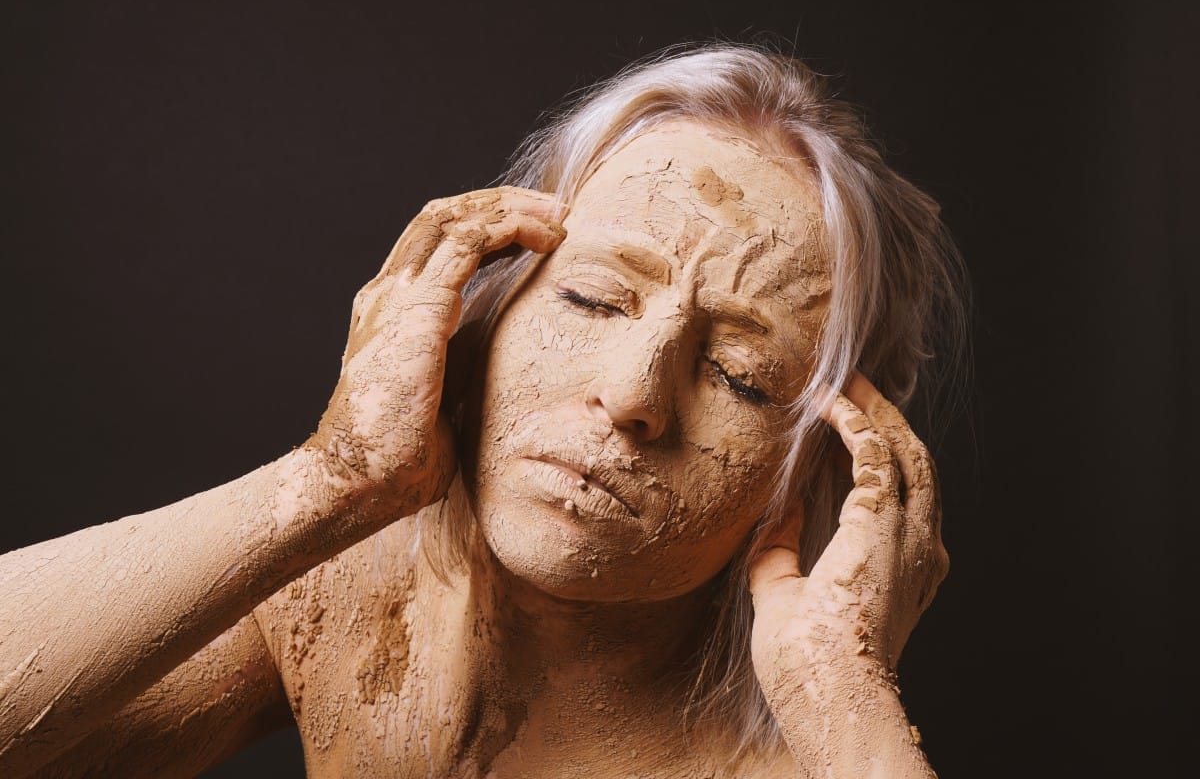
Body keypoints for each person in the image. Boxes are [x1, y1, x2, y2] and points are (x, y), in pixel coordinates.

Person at [0, 42, 969, 778]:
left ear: (824, 462)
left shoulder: (817, 751)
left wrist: (846, 704)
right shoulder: (359, 599)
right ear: (489, 296)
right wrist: (327, 482)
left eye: (740, 375)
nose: (632, 396)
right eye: (591, 299)